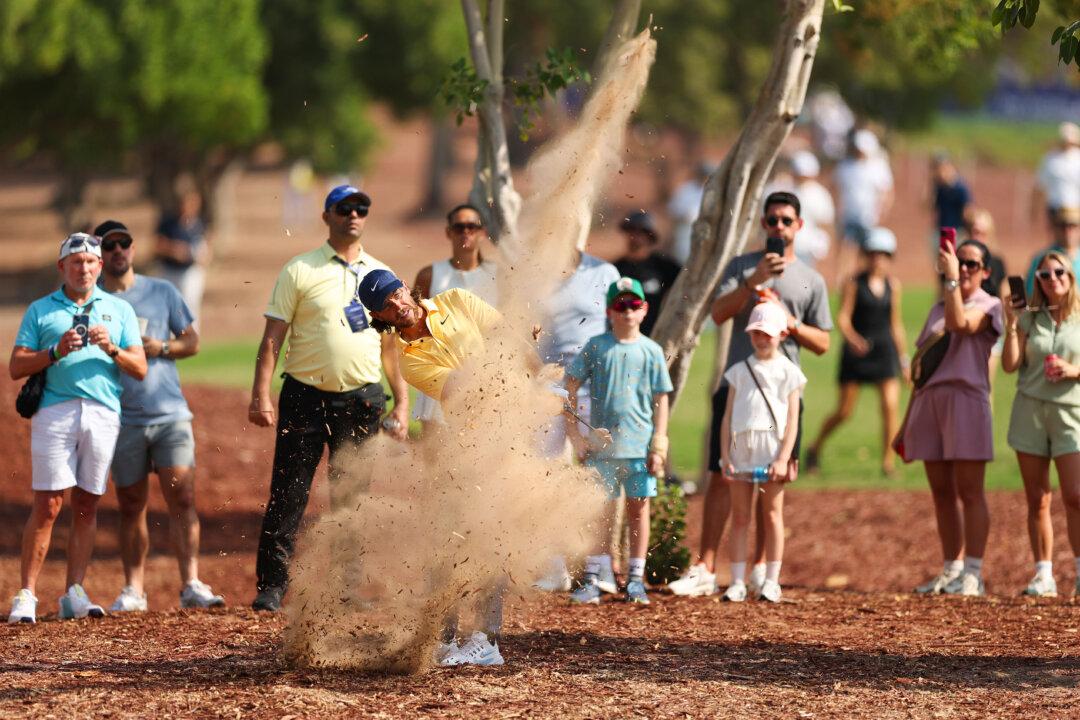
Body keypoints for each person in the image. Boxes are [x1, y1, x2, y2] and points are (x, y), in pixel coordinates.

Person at [248, 185, 409, 613]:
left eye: (361, 208)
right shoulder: (299, 270)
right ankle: (273, 586)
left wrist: (403, 402)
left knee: (352, 497)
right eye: (344, 208)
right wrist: (260, 393)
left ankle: (348, 586)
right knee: (289, 492)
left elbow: (390, 349)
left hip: (363, 400)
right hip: (304, 394)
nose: (353, 215)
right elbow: (272, 340)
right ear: (327, 216)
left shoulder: (381, 274)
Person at [668, 191, 832, 598]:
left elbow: (823, 342)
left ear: (799, 226)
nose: (778, 227)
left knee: (770, 481)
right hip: (737, 386)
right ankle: (707, 565)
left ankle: (761, 568)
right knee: (722, 477)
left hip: (782, 393)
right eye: (772, 220)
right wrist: (753, 282)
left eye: (786, 221)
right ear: (763, 224)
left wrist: (788, 321)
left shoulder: (811, 279)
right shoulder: (742, 267)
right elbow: (719, 313)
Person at [362, 269, 506, 667]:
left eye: (397, 294)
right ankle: (446, 636)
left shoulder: (457, 300)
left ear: (406, 288)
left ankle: (486, 639)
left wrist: (538, 377)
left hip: (503, 437)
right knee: (450, 535)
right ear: (382, 318)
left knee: (489, 534)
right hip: (463, 444)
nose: (397, 306)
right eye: (386, 307)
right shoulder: (409, 363)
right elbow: (460, 389)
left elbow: (508, 337)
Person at [7, 233, 147, 623]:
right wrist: (54, 351)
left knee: (87, 502)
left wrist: (112, 349)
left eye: (90, 262)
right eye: (75, 262)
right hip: (55, 411)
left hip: (103, 411)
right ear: (62, 268)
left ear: (100, 267)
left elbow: (140, 367)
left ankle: (74, 591)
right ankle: (27, 594)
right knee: (48, 504)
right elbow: (17, 366)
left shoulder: (118, 310)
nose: (83, 268)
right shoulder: (41, 310)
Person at [94, 220, 224, 611]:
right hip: (121, 417)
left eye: (124, 244)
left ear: (133, 249)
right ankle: (134, 589)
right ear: (100, 255)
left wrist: (162, 346)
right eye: (110, 246)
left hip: (169, 412)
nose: (118, 251)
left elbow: (193, 341)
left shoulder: (162, 291)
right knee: (132, 504)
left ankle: (192, 584)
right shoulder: (91, 301)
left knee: (182, 497)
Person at [564, 278, 673, 606]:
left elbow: (661, 399)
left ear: (644, 310)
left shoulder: (652, 351)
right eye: (620, 305)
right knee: (601, 513)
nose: (627, 311)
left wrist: (660, 445)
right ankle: (594, 579)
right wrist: (577, 438)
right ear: (610, 311)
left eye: (633, 305)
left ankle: (636, 580)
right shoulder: (596, 347)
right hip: (602, 450)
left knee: (639, 511)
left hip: (639, 449)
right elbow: (568, 388)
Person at [903, 239, 1002, 597]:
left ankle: (974, 572)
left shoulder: (989, 306)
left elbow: (960, 323)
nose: (963, 269)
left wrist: (948, 282)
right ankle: (952, 568)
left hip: (966, 400)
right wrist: (905, 424)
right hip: (930, 403)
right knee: (942, 493)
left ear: (985, 272)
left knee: (970, 491)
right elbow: (920, 372)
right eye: (959, 262)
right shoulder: (935, 309)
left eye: (971, 265)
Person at [534, 247, 620, 592]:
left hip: (593, 386)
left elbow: (616, 327)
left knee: (599, 477)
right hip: (549, 388)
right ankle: (554, 564)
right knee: (546, 474)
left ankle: (599, 567)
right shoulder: (536, 274)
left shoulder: (603, 272)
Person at [1001, 251, 1080, 598]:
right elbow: (1009, 364)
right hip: (1030, 410)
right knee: (1038, 498)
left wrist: (1074, 370)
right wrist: (1011, 325)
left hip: (1070, 412)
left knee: (1076, 496)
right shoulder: (1030, 318)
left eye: (1059, 272)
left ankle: (1079, 571)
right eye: (1044, 275)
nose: (1052, 279)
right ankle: (1043, 574)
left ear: (1071, 277)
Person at [719, 301, 806, 602]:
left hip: (772, 453)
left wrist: (784, 458)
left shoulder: (788, 372)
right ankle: (737, 581)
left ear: (782, 334)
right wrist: (725, 456)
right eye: (757, 332)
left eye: (767, 333)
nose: (762, 338)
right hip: (742, 452)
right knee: (740, 517)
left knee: (772, 516)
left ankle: (771, 579)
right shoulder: (739, 372)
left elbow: (793, 419)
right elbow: (728, 417)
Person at [805, 228, 907, 476]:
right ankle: (814, 448)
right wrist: (853, 339)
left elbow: (896, 324)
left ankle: (887, 462)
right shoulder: (853, 283)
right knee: (844, 412)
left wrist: (904, 359)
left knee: (890, 405)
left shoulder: (893, 286)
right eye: (873, 254)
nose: (877, 259)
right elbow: (842, 318)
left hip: (884, 351)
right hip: (856, 354)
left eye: (882, 254)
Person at [411, 204, 498, 432]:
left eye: (472, 226)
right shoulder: (430, 275)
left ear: (483, 232)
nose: (466, 232)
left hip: (485, 380)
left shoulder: (499, 276)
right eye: (459, 227)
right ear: (449, 232)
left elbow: (508, 327)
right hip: (439, 378)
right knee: (435, 460)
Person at [834, 129, 894, 284]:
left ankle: (863, 282)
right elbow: (836, 188)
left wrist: (882, 211)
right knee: (847, 249)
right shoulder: (845, 166)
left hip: (869, 217)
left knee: (868, 251)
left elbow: (887, 192)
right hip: (849, 216)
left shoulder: (878, 167)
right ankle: (845, 282)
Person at [613, 210, 681, 336]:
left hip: (656, 335)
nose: (635, 236)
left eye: (641, 232)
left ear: (650, 236)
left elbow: (686, 285)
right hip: (623, 336)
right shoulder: (616, 269)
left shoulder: (664, 266)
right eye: (631, 230)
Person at [155, 188, 210, 322]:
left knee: (190, 307)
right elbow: (157, 245)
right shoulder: (169, 223)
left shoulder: (199, 224)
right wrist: (175, 250)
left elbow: (206, 249)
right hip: (169, 270)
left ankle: (191, 339)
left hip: (190, 272)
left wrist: (200, 257)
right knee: (169, 306)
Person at [789, 151, 835, 268]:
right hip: (788, 246)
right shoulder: (786, 190)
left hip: (809, 249)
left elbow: (826, 223)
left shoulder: (819, 195)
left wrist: (823, 247)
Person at [667, 162, 715, 266]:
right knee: (681, 260)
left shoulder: (713, 192)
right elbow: (673, 209)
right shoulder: (686, 189)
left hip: (703, 232)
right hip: (684, 230)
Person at [1033, 122, 1080, 227]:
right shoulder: (1050, 158)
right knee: (1058, 240)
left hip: (1076, 208)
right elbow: (1040, 185)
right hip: (1055, 207)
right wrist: (1034, 208)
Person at [1025, 206, 1080, 296]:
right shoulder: (1041, 259)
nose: (1067, 230)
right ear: (1055, 228)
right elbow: (1031, 294)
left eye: (1072, 225)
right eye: (1063, 225)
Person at [931, 153, 971, 237]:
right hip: (942, 230)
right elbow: (929, 206)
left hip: (957, 231)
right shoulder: (940, 188)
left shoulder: (960, 188)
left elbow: (967, 211)